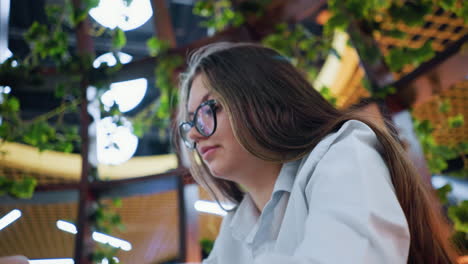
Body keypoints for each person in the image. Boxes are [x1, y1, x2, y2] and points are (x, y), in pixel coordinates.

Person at [176, 42, 459, 264]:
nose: (193, 133)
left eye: (206, 109)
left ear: (264, 99)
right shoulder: (234, 229)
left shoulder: (341, 152)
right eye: (189, 122)